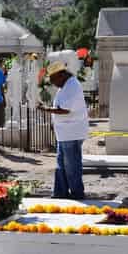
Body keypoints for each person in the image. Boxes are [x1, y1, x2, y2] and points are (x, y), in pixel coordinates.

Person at [38, 61, 89, 199]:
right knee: (61, 164)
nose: (53, 83)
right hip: (65, 132)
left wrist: (46, 109)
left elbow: (65, 109)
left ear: (61, 75)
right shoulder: (66, 85)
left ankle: (77, 193)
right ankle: (60, 192)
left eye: (54, 79)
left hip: (71, 132)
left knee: (71, 165)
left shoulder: (72, 86)